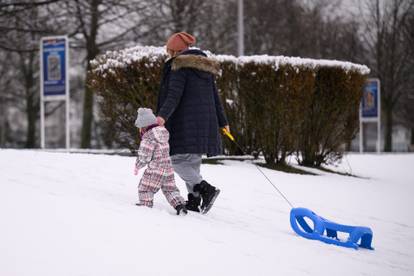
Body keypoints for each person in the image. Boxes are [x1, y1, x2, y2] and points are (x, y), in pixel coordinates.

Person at [155, 32, 229, 214]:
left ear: (175, 50)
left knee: (175, 161)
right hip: (205, 122)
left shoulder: (179, 66)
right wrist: (223, 122)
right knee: (192, 162)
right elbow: (215, 97)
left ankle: (205, 188)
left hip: (185, 121)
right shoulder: (205, 68)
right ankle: (194, 200)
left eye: (169, 51)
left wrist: (162, 116)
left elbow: (173, 95)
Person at [134, 107, 187, 215]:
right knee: (170, 190)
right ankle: (180, 205)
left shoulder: (148, 138)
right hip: (168, 169)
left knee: (145, 188)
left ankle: (145, 205)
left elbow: (144, 156)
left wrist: (137, 165)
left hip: (155, 169)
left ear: (144, 127)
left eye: (140, 128)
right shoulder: (163, 134)